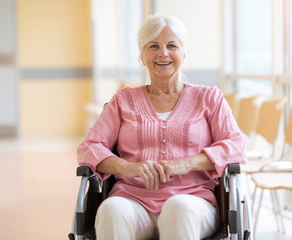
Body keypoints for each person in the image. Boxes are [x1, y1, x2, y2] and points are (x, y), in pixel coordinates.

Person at [77, 15, 247, 240]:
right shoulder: (123, 101)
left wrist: (185, 164)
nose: (163, 53)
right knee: (111, 210)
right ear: (142, 56)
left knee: (178, 208)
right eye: (153, 46)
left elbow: (235, 144)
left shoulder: (209, 98)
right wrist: (128, 167)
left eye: (172, 46)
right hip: (132, 200)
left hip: (192, 201)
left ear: (183, 54)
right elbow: (89, 147)